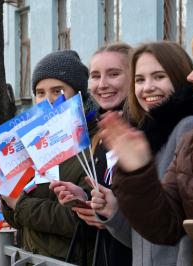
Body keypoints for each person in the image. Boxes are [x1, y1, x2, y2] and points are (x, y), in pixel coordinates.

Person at [96, 22, 193, 265]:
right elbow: (164, 227)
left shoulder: (187, 127)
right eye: (139, 79)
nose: (192, 77)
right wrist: (136, 170)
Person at [0, 50, 97, 265]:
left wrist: (19, 204)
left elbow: (78, 219)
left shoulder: (93, 143)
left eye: (58, 91)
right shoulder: (34, 143)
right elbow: (20, 221)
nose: (48, 100)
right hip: (30, 257)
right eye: (40, 93)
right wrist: (7, 197)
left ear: (78, 94)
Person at [51, 43, 132, 266]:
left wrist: (113, 216)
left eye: (114, 74)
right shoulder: (103, 133)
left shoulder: (145, 132)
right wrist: (86, 198)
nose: (102, 84)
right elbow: (107, 194)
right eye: (95, 76)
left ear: (133, 77)